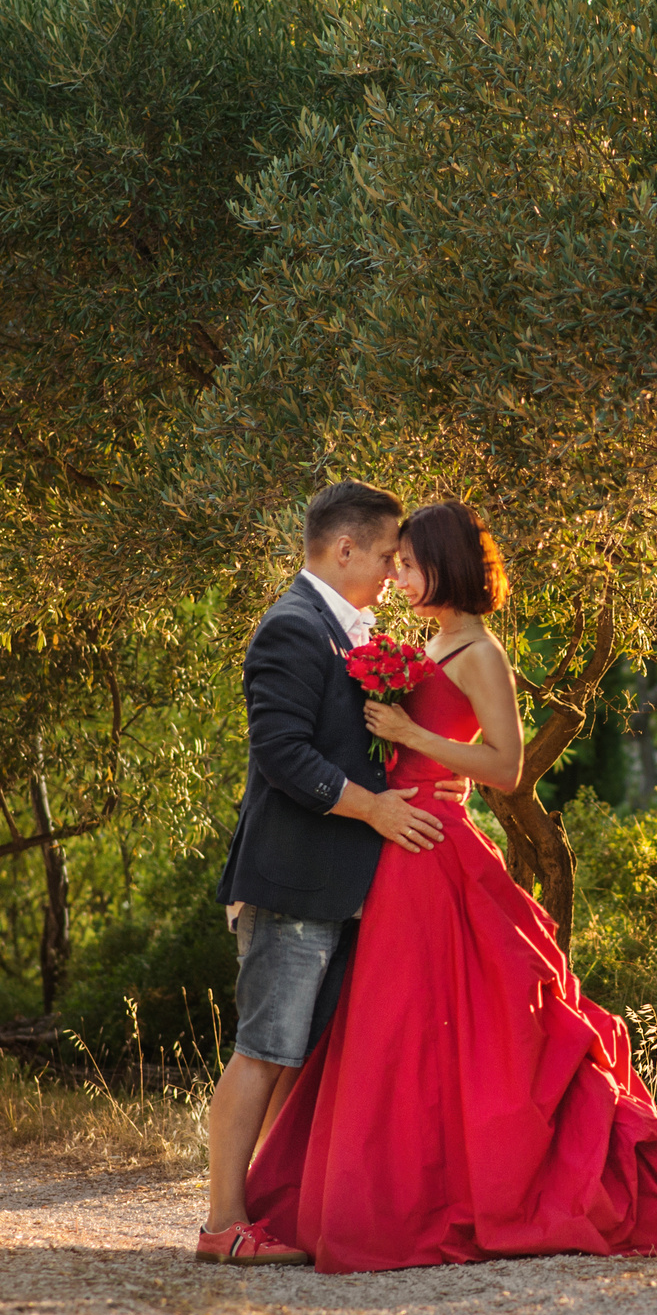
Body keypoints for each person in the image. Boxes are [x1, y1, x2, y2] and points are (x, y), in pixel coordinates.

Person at [242, 499, 657, 1271]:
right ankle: (381, 1189)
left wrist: (415, 736)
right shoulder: (427, 639)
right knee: (400, 1033)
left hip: (437, 842)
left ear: (446, 566)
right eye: (398, 561)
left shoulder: (481, 652)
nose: (400, 575)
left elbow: (507, 768)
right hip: (399, 842)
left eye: (412, 564)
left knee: (455, 1030)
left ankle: (437, 1195)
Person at [196, 479, 459, 1265]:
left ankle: (271, 1209)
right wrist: (377, 809)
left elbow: (357, 744)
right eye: (385, 557)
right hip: (289, 883)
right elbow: (283, 756)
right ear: (344, 549)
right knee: (265, 1047)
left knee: (299, 1057)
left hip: (335, 888)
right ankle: (222, 1226)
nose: (391, 574)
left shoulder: (347, 631)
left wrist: (427, 772)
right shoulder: (291, 628)